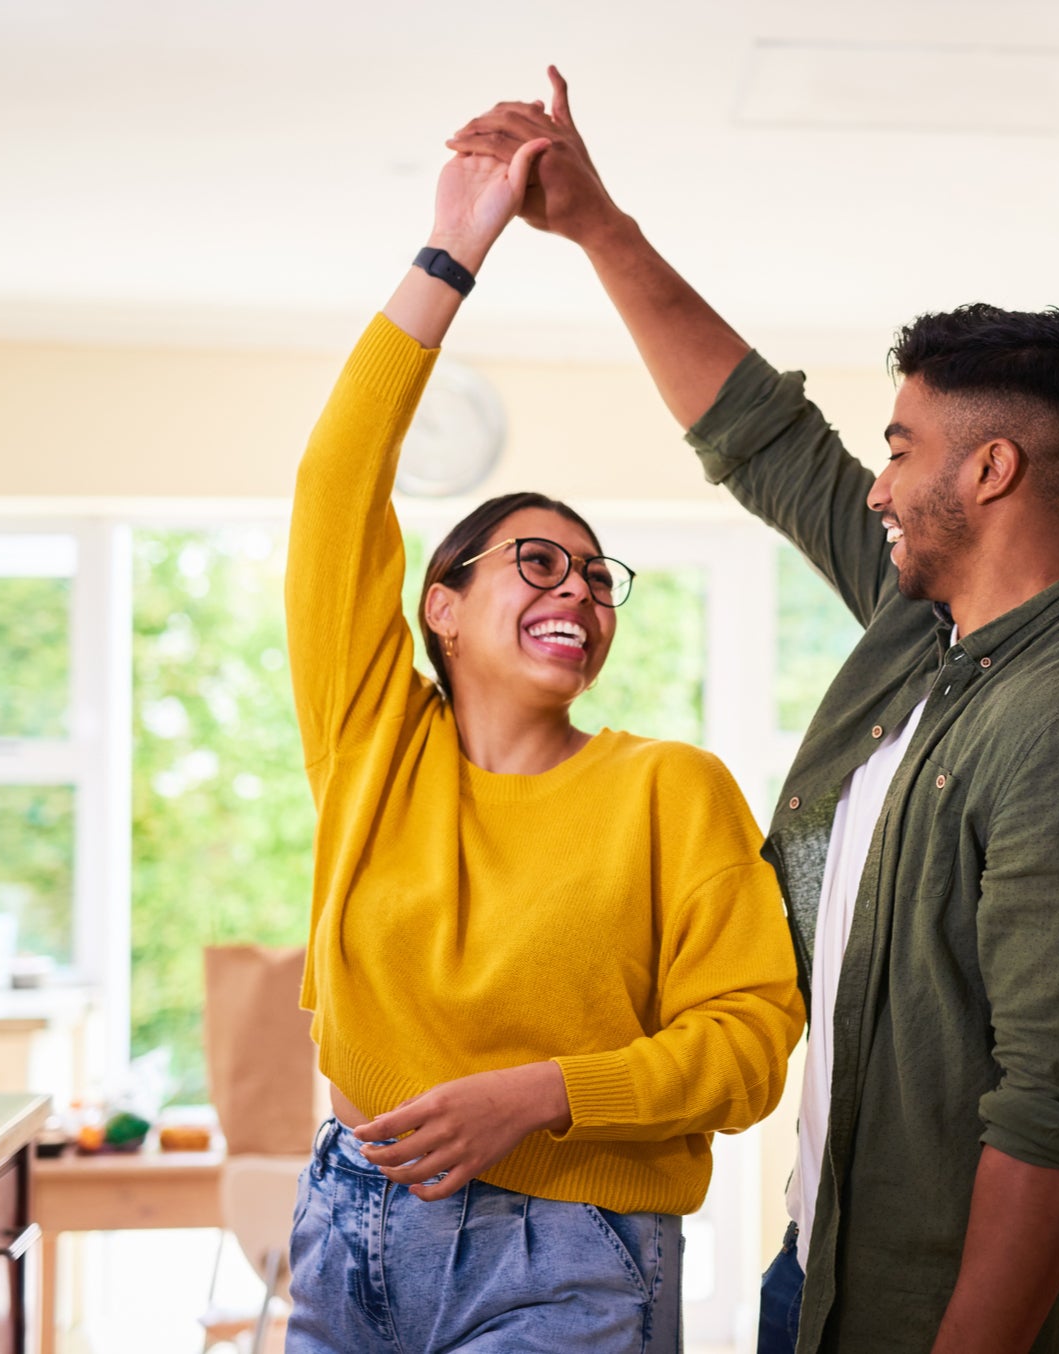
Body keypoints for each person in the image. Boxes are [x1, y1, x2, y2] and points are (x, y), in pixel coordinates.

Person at [447, 72, 1059, 1354]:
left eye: (902, 448)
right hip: (823, 1268)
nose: (877, 483)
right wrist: (595, 225)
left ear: (990, 469)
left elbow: (1057, 1113)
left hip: (932, 1318)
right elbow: (765, 438)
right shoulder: (935, 628)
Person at [282, 135, 805, 1354]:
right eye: (536, 559)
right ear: (442, 605)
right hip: (348, 1219)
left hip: (567, 1250)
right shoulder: (372, 746)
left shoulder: (669, 789)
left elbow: (748, 1044)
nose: (579, 586)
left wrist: (542, 1094)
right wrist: (453, 249)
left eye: (595, 574)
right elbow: (332, 491)